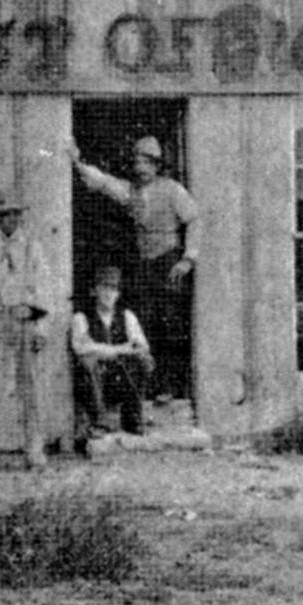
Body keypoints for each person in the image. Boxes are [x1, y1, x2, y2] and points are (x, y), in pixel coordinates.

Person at [70, 135, 199, 403]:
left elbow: (194, 220)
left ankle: (172, 387)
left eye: (146, 163)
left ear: (156, 165)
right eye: (137, 163)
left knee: (171, 323)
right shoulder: (131, 191)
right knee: (144, 320)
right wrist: (77, 162)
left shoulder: (173, 190)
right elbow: (104, 183)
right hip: (144, 263)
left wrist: (188, 259)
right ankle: (148, 385)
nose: (141, 169)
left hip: (169, 261)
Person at [0, 189, 50, 469]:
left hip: (24, 317)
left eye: (12, 215)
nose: (7, 221)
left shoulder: (32, 247)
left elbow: (43, 288)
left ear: (20, 216)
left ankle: (34, 450)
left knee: (30, 386)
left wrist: (41, 326)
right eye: (1, 216)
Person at [71, 265, 154, 446]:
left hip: (120, 378)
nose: (109, 294)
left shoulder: (127, 316)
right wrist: (120, 349)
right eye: (104, 287)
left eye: (114, 289)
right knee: (88, 362)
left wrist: (133, 349)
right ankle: (98, 422)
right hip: (95, 380)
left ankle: (132, 416)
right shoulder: (81, 317)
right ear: (94, 291)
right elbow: (81, 347)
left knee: (143, 360)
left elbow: (141, 345)